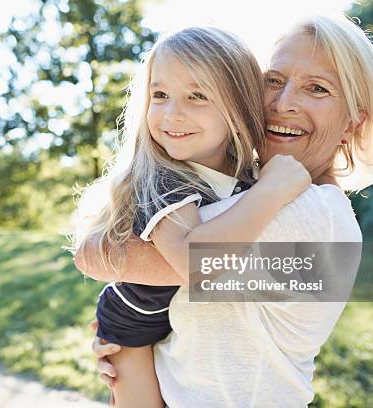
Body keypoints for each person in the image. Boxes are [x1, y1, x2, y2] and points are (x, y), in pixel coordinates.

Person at [75, 14, 373, 407]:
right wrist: (128, 338)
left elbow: (103, 254)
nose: (283, 103)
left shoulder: (312, 211)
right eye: (274, 81)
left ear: (354, 122)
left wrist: (122, 329)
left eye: (316, 88)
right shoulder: (243, 188)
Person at [71, 27, 311, 408]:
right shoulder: (163, 176)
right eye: (160, 95)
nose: (172, 114)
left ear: (239, 105)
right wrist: (271, 191)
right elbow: (192, 262)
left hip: (179, 327)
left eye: (197, 96)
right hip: (134, 324)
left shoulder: (241, 174)